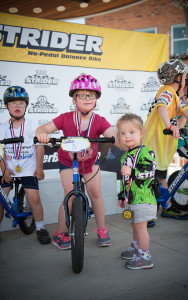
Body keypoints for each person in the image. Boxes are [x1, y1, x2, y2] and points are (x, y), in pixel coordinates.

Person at [36, 74, 118, 249]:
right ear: (74, 97)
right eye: (82, 95)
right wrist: (42, 133)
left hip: (89, 162)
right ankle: (60, 233)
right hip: (68, 160)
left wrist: (122, 139)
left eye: (92, 95)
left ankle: (102, 229)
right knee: (70, 195)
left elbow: (113, 135)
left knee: (95, 192)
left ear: (96, 98)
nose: (87, 98)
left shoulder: (99, 120)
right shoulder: (65, 118)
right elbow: (42, 128)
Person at [0, 86, 51, 244]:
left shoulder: (33, 125)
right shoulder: (2, 127)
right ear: (7, 106)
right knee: (1, 200)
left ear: (26, 106)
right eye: (13, 103)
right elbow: (0, 150)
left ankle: (41, 228)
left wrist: (40, 168)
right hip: (7, 168)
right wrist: (4, 170)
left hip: (28, 168)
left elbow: (39, 146)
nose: (17, 106)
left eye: (21, 103)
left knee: (34, 198)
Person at [144, 59, 188, 220]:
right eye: (184, 76)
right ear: (178, 78)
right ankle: (146, 214)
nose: (185, 79)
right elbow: (162, 106)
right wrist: (170, 126)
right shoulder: (167, 91)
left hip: (162, 145)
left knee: (161, 176)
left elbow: (185, 113)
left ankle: (166, 206)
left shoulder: (175, 96)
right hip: (153, 143)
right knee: (149, 179)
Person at [117, 113, 157, 270]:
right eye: (123, 133)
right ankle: (136, 247)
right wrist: (122, 195)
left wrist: (132, 171)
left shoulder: (146, 152)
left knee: (141, 227)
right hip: (132, 199)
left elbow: (150, 172)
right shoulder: (126, 156)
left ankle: (145, 256)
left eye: (131, 132)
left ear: (141, 133)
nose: (127, 136)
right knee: (135, 225)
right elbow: (125, 180)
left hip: (144, 199)